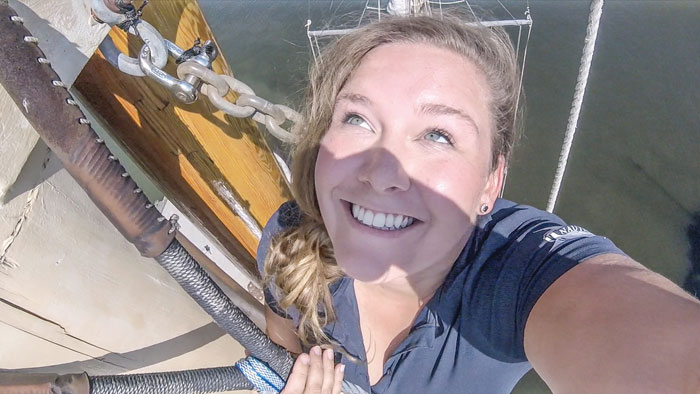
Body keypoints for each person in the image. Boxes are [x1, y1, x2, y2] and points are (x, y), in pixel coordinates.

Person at [255, 15, 700, 394]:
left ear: (492, 181)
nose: (380, 173)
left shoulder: (522, 270)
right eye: (357, 118)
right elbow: (282, 344)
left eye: (438, 135)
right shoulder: (290, 240)